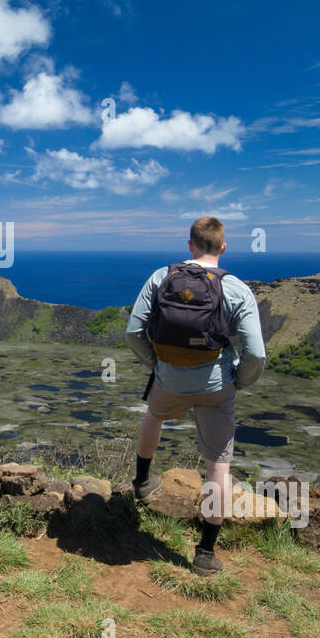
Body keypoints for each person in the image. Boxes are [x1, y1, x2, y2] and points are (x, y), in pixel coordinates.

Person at [124, 216, 266, 576]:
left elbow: (133, 332)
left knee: (153, 417)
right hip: (218, 385)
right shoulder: (236, 289)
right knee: (218, 462)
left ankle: (142, 483)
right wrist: (238, 382)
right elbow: (257, 354)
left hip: (169, 378)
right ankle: (204, 553)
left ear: (190, 244)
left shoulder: (162, 277)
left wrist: (156, 364)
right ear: (222, 247)